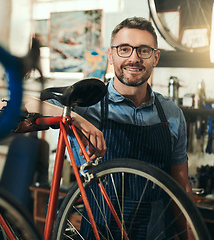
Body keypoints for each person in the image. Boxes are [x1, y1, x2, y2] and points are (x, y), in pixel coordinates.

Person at [24, 16, 193, 239]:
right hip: (99, 233)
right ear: (111, 55)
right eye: (124, 49)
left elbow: (181, 190)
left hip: (158, 234)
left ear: (156, 57)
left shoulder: (172, 113)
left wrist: (191, 235)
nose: (134, 58)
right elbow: (11, 103)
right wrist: (76, 118)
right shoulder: (85, 104)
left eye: (144, 50)